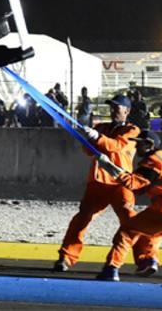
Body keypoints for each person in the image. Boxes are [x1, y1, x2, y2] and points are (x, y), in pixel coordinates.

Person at [53, 94, 140, 272]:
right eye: (112, 107)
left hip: (121, 182)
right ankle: (67, 257)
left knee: (132, 222)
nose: (113, 111)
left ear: (127, 111)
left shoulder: (132, 131)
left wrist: (96, 136)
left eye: (117, 108)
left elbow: (116, 146)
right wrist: (88, 136)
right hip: (98, 181)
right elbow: (88, 151)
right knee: (82, 218)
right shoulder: (102, 127)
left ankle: (146, 259)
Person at [96, 131, 162, 281]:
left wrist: (109, 166)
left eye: (139, 143)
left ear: (149, 145)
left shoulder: (153, 161)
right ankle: (149, 260)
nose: (136, 146)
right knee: (152, 231)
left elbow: (132, 183)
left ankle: (112, 268)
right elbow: (142, 187)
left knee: (128, 230)